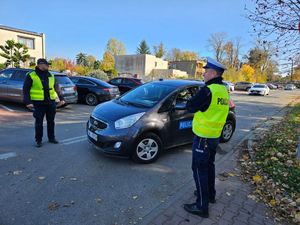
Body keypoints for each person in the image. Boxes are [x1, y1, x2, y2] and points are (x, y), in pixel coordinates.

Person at [183, 57, 229, 218]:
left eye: (206, 71)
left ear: (213, 73)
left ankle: (202, 206)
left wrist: (191, 98)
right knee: (209, 166)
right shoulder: (223, 90)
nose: (203, 74)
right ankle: (210, 195)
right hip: (214, 136)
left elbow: (190, 106)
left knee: (198, 169)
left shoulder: (208, 90)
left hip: (202, 138)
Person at [23, 58, 65, 148]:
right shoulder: (31, 75)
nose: (48, 66)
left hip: (51, 103)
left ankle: (51, 138)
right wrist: (27, 102)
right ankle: (38, 140)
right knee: (39, 123)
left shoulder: (51, 75)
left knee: (51, 121)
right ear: (40, 65)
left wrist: (61, 98)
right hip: (38, 103)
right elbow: (26, 89)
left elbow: (57, 88)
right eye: (46, 64)